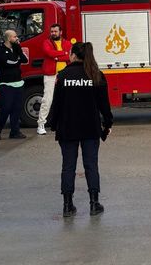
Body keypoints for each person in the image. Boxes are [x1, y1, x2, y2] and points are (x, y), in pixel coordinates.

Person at [47, 42, 113, 218]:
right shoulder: (96, 75)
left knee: (68, 166)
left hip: (67, 128)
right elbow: (104, 105)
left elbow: (57, 104)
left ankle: (67, 206)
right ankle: (94, 204)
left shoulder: (63, 75)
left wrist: (53, 124)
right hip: (90, 128)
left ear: (74, 55)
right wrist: (108, 124)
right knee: (91, 165)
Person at [0, 29, 29, 140]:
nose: (17, 38)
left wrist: (18, 48)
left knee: (17, 108)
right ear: (9, 38)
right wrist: (17, 60)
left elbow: (25, 60)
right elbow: (8, 62)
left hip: (18, 83)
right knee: (6, 107)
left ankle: (15, 132)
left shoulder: (16, 48)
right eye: (14, 37)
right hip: (6, 84)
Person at [37, 23, 72, 136]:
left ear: (60, 32)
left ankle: (64, 124)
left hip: (65, 75)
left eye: (55, 31)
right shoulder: (46, 42)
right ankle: (41, 125)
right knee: (47, 100)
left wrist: (56, 56)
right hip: (50, 75)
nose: (53, 33)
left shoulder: (67, 43)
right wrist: (63, 53)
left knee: (66, 100)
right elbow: (49, 53)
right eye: (52, 31)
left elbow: (70, 56)